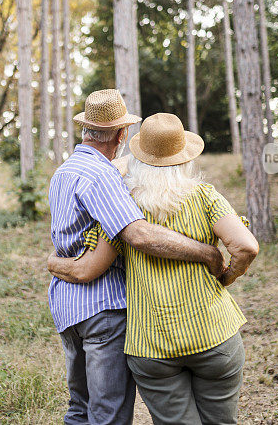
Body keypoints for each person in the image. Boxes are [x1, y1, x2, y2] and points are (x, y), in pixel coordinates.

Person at [49, 113, 259, 425]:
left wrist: (53, 262)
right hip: (216, 335)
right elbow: (246, 247)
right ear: (185, 157)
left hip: (153, 346)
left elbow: (87, 269)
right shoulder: (204, 196)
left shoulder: (124, 207)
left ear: (136, 155)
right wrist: (225, 276)